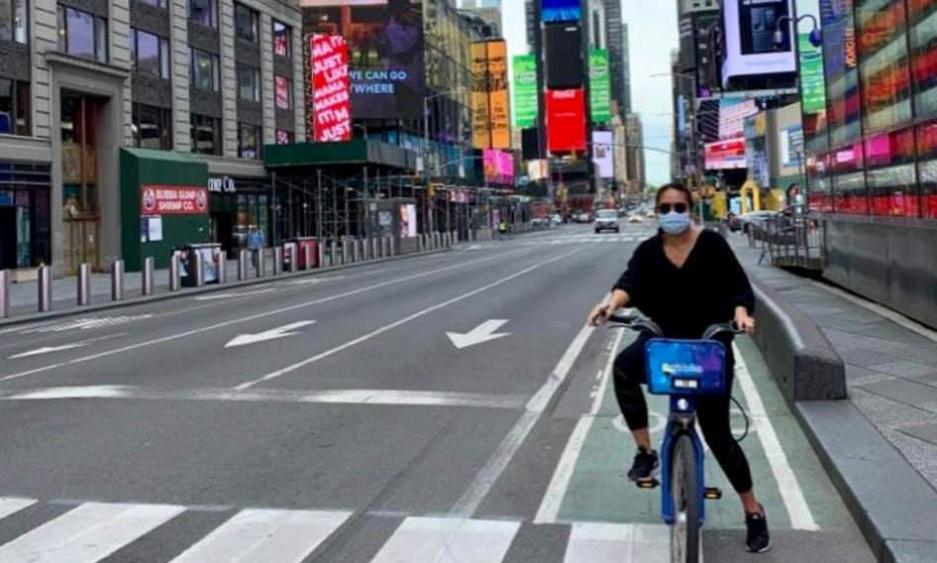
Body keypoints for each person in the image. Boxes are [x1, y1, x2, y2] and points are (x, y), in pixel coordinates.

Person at [587, 183, 770, 554]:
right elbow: (629, 285)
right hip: (664, 345)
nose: (673, 213)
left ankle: (753, 511)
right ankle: (645, 453)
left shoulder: (713, 246)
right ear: (658, 211)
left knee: (719, 436)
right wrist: (610, 305)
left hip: (708, 348)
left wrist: (740, 314)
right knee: (624, 367)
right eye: (666, 207)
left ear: (690, 207)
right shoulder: (648, 251)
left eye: (679, 206)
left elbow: (738, 288)